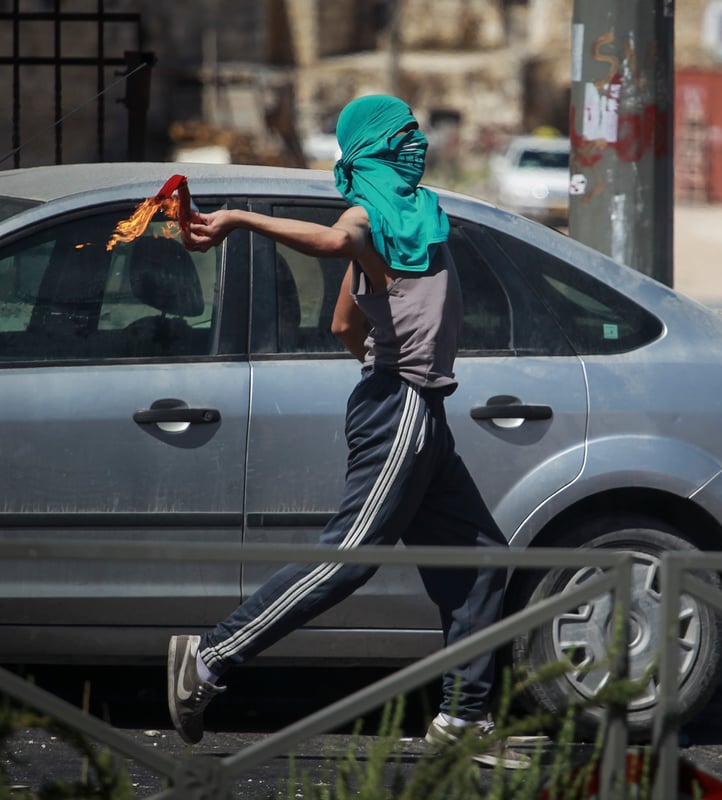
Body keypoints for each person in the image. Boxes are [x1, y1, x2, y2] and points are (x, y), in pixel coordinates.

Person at [168, 94, 529, 769]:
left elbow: (345, 325)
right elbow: (340, 241)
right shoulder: (366, 215)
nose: (418, 141)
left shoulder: (410, 220)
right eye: (404, 133)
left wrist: (386, 354)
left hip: (416, 405)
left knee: (483, 559)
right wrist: (241, 218)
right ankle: (212, 656)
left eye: (418, 129)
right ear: (372, 149)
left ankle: (462, 719)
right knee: (351, 555)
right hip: (403, 406)